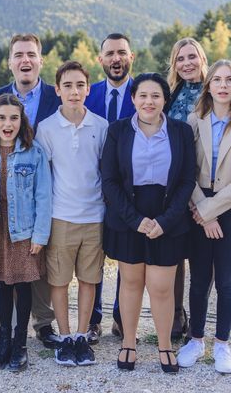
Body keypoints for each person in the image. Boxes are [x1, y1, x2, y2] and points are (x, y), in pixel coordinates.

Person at [101, 73, 195, 374]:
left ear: (165, 100)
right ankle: (128, 342)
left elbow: (186, 181)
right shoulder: (117, 131)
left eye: (155, 96)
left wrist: (164, 222)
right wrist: (136, 220)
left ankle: (165, 345)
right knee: (130, 283)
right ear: (133, 99)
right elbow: (110, 181)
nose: (149, 101)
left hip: (168, 217)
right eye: (142, 95)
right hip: (129, 215)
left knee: (162, 287)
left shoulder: (181, 132)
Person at [177, 59, 231, 374]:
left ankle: (222, 345)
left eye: (230, 80)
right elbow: (185, 170)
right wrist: (201, 209)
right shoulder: (192, 120)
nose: (223, 85)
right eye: (217, 80)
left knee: (226, 280)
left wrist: (211, 212)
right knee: (199, 280)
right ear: (209, 85)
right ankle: (196, 341)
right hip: (197, 204)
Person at [0, 34, 61, 348]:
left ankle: (43, 324)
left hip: (45, 186)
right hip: (4, 191)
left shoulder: (57, 95)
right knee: (10, 270)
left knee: (37, 263)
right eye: (19, 55)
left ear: (40, 60)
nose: (25, 60)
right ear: (10, 62)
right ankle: (10, 330)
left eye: (31, 54)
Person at [0, 94, 52, 372]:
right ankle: (3, 339)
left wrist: (40, 236)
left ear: (22, 120)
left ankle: (20, 344)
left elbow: (44, 196)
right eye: (2, 118)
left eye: (14, 118)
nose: (8, 124)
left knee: (23, 284)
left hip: (24, 229)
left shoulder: (34, 152)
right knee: (3, 285)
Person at [36, 61, 108, 367]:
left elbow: (106, 172)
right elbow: (43, 176)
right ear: (58, 90)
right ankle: (65, 338)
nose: (74, 91)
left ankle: (81, 336)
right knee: (60, 280)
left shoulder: (101, 126)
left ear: (88, 89)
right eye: (67, 86)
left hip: (94, 216)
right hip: (61, 215)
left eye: (80, 85)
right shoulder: (47, 128)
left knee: (90, 279)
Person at [84, 32, 137, 343]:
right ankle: (92, 320)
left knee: (126, 259)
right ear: (100, 60)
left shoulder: (143, 92)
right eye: (110, 54)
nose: (116, 59)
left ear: (131, 57)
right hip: (92, 191)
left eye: (122, 53)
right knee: (93, 259)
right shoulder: (88, 94)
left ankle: (121, 316)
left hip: (130, 194)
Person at [164, 37, 208, 339]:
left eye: (192, 57)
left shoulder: (214, 90)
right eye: (181, 59)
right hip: (175, 184)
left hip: (204, 184)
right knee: (176, 253)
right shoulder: (171, 94)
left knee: (202, 257)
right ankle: (176, 314)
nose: (187, 63)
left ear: (202, 59)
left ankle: (200, 317)